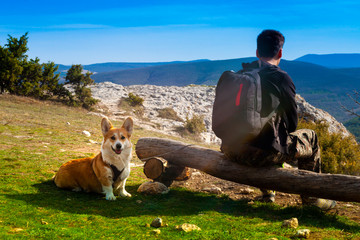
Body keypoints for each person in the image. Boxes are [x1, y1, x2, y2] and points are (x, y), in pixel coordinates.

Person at [220, 29, 336, 210]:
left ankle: (268, 193)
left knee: (261, 134)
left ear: (257, 52)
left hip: (230, 149)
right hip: (259, 156)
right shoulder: (281, 78)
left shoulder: (243, 74)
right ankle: (312, 201)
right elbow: (292, 124)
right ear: (280, 52)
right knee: (310, 138)